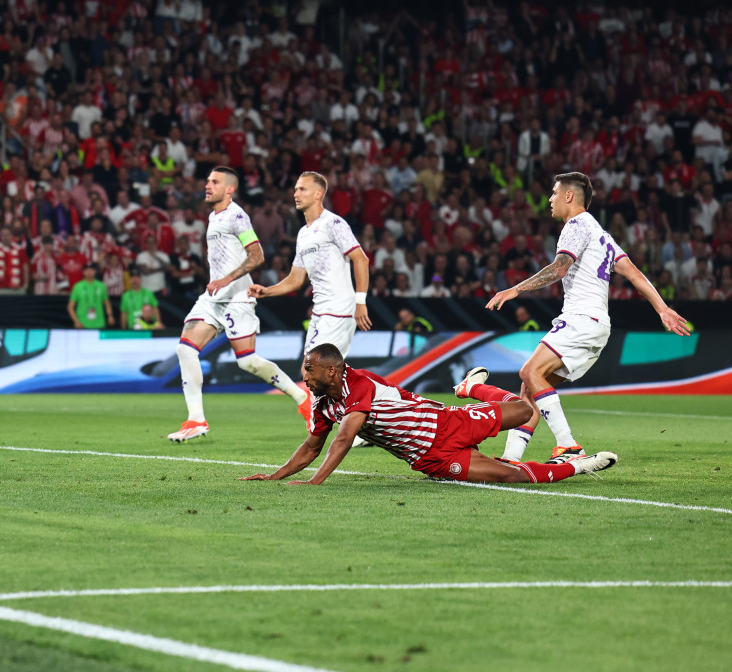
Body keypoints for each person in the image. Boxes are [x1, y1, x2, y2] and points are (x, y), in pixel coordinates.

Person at [481, 172, 690, 464]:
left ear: (569, 196)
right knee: (531, 386)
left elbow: (559, 269)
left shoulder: (576, 225)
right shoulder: (601, 233)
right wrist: (662, 308)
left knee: (529, 372)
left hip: (580, 319)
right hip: (597, 326)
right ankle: (511, 458)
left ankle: (568, 446)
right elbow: (632, 272)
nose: (550, 199)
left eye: (554, 193)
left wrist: (515, 289)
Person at [239, 344, 618, 486]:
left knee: (525, 411)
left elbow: (342, 440)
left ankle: (472, 389)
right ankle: (579, 466)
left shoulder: (359, 384)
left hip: (446, 423)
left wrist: (315, 482)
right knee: (509, 475)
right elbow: (310, 447)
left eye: (309, 370)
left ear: (333, 371)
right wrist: (274, 476)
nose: (304, 377)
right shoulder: (324, 403)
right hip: (431, 458)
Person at [168, 167, 308, 443]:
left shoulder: (237, 216)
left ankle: (303, 399)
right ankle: (196, 420)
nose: (207, 185)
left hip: (236, 298)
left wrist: (226, 279)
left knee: (247, 362)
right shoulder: (213, 215)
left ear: (229, 189)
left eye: (214, 182)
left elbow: (257, 256)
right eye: (207, 180)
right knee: (185, 349)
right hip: (213, 298)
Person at [249, 171, 371, 432]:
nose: (295, 193)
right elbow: (295, 279)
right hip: (321, 313)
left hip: (339, 309)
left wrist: (360, 301)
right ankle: (360, 423)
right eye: (295, 189)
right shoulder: (304, 234)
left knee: (317, 372)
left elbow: (361, 258)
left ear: (318, 194)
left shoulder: (333, 224)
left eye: (302, 189)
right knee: (324, 373)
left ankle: (350, 425)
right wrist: (266, 291)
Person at [68, 262, 113, 329]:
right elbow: (70, 307)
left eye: (91, 270)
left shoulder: (101, 286)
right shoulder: (78, 286)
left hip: (99, 324)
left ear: (95, 271)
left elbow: (107, 303)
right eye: (87, 270)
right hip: (82, 324)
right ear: (83, 272)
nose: (89, 272)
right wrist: (76, 321)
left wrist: (110, 316)